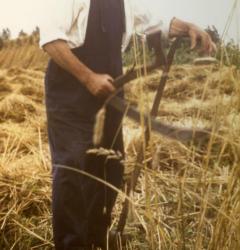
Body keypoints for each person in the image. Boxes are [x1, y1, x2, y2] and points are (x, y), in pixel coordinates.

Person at [39, 0, 216, 249]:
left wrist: (187, 26)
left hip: (109, 89)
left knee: (110, 165)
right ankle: (71, 244)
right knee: (72, 168)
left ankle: (96, 237)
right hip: (70, 91)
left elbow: (156, 22)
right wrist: (88, 78)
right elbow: (50, 40)